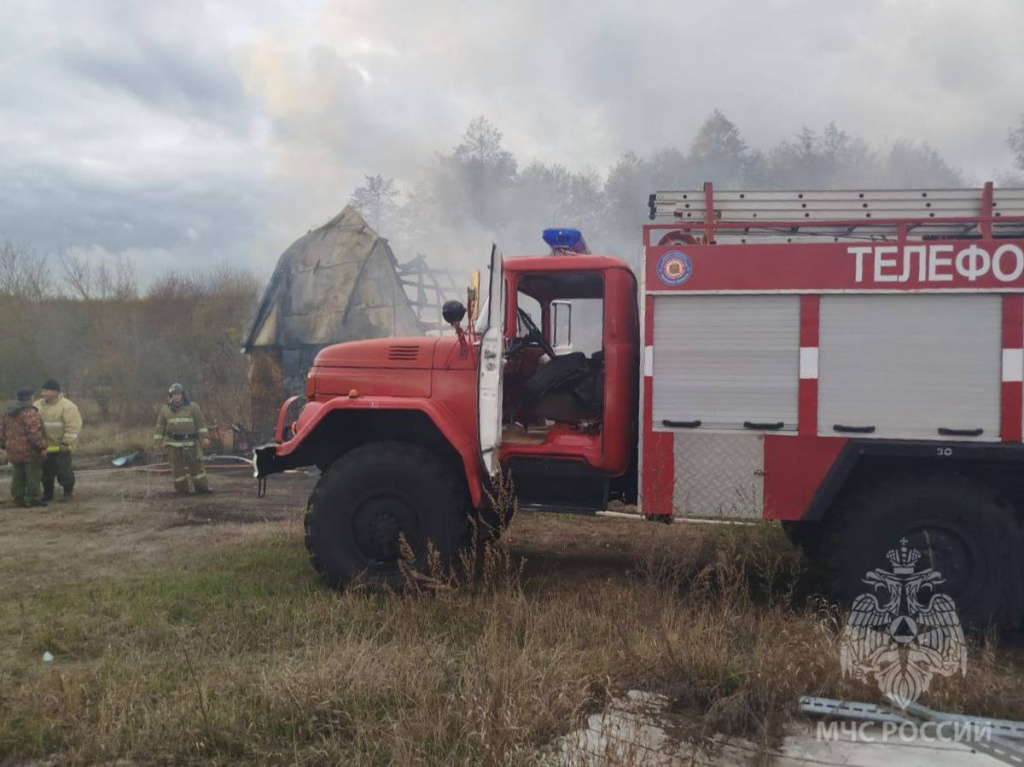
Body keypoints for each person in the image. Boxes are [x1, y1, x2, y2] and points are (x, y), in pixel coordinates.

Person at [154, 383, 212, 495]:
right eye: (174, 394)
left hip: (189, 442)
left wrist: (205, 437)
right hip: (173, 444)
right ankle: (182, 490)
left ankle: (202, 488)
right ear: (170, 396)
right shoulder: (165, 410)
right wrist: (157, 442)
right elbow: (160, 427)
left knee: (196, 466)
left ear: (182, 395)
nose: (177, 396)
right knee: (177, 469)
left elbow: (200, 422)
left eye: (179, 394)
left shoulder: (192, 406)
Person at [35, 379, 82, 502]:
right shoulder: (37, 405)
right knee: (46, 473)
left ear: (56, 392)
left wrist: (66, 443)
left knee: (64, 471)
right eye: (43, 391)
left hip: (62, 447)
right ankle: (48, 494)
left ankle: (67, 492)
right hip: (45, 448)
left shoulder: (68, 406)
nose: (44, 394)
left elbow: (73, 427)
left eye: (47, 391)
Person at [0, 388, 48, 507]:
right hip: (29, 450)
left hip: (13, 450)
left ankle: (18, 497)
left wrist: (4, 445)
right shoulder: (30, 413)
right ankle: (32, 498)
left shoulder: (9, 413)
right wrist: (42, 447)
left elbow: (3, 432)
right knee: (33, 474)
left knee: (18, 474)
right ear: (31, 398)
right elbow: (34, 433)